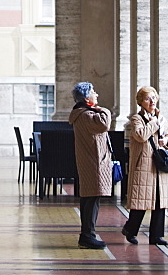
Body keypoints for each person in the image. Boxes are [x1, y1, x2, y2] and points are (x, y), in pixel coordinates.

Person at [122, 85, 168, 246]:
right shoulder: (137, 119)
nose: (151, 101)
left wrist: (166, 141)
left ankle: (156, 236)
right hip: (143, 164)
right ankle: (130, 230)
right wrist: (155, 123)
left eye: (153, 97)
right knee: (141, 201)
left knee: (160, 201)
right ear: (141, 102)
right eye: (147, 99)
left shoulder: (161, 118)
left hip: (159, 163)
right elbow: (140, 135)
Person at [68, 81, 112, 250]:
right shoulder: (86, 115)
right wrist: (104, 109)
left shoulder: (83, 114)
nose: (97, 95)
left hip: (91, 161)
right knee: (91, 200)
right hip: (92, 163)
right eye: (94, 92)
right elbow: (104, 124)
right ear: (87, 97)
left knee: (90, 199)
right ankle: (87, 236)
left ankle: (87, 235)